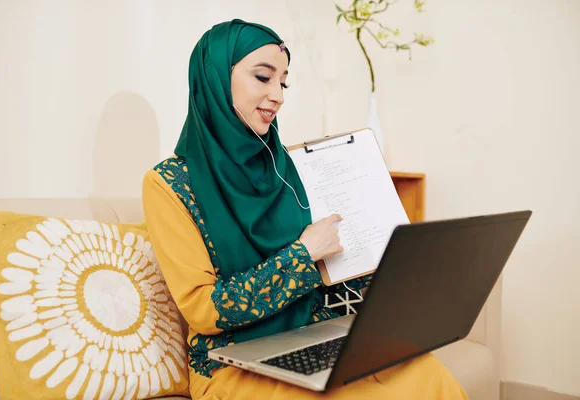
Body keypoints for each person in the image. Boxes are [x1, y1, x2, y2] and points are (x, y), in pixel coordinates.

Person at [142, 18, 468, 399]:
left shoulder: (292, 167)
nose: (278, 95)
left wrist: (388, 258)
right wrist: (303, 253)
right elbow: (204, 309)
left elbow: (336, 270)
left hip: (318, 337)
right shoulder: (170, 185)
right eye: (263, 77)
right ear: (215, 78)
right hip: (233, 361)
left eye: (283, 82)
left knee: (430, 377)